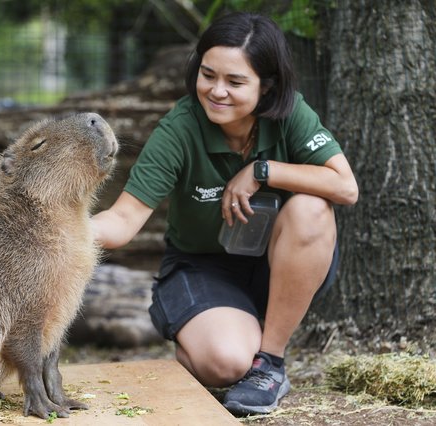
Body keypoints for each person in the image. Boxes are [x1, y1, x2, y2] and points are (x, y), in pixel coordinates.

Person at [90, 11, 358, 416]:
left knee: (312, 207)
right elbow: (123, 220)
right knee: (227, 363)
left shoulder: (290, 116)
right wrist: (52, 232)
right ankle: (201, 335)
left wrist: (263, 170)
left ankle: (270, 364)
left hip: (279, 267)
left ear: (267, 88)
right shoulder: (180, 129)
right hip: (204, 269)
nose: (216, 91)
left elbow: (346, 187)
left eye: (235, 82)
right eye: (207, 74)